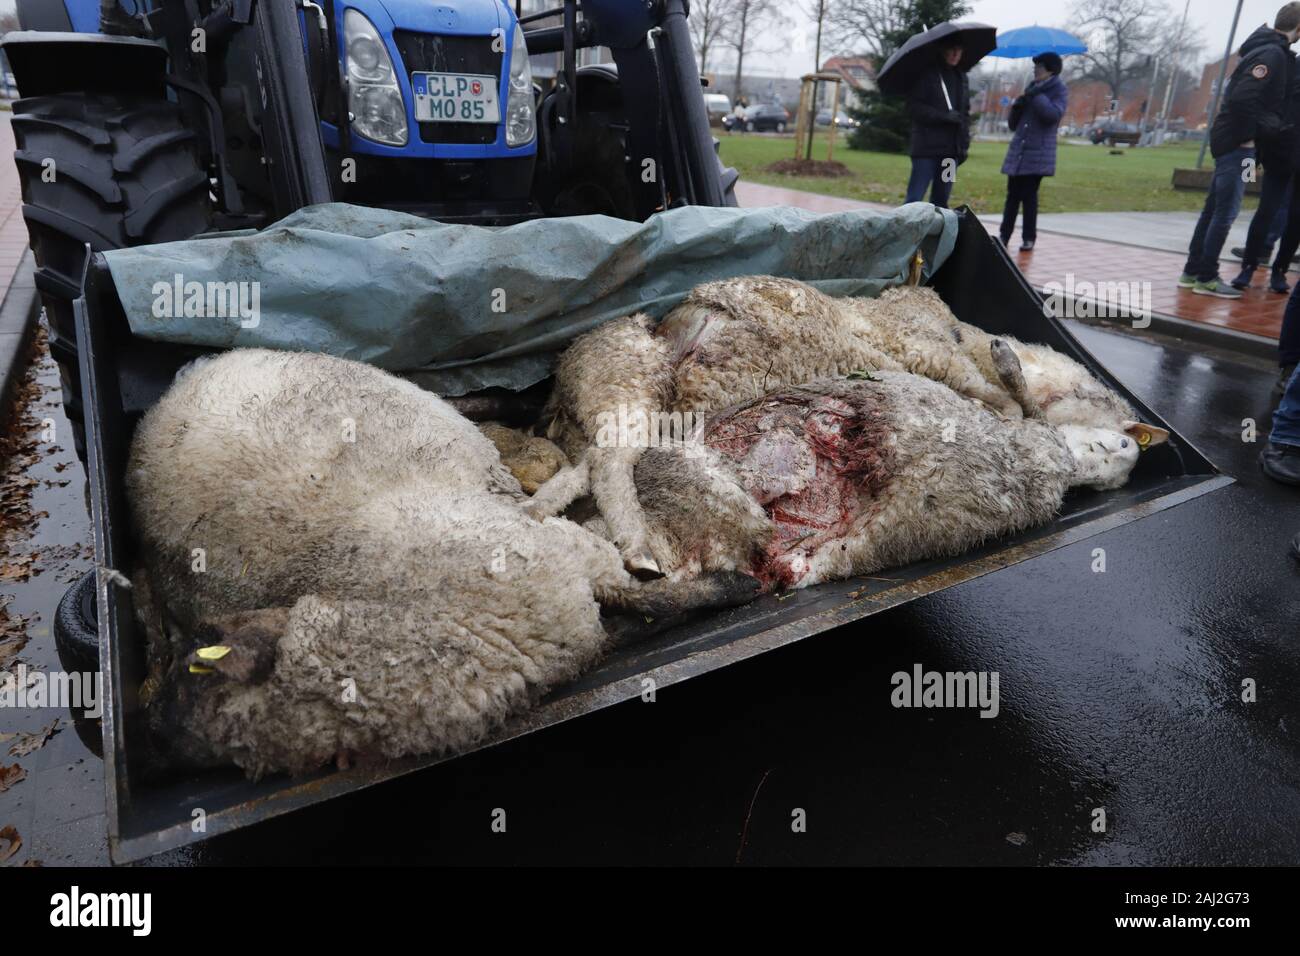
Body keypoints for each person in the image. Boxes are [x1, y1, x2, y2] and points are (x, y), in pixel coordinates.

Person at [1179, 3, 1300, 299]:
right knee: (1226, 212)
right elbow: (1243, 99)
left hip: (1237, 144)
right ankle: (1206, 276)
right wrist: (1255, 134)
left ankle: (1192, 271)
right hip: (1240, 147)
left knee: (1214, 209)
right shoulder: (1272, 55)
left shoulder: (1266, 50)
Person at [1232, 49, 1300, 293]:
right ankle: (1249, 265)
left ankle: (1280, 269)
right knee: (1266, 211)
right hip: (1281, 150)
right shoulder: (1292, 68)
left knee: (1296, 218)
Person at [999, 52, 1069, 252]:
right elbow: (1014, 125)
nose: (1035, 70)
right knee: (1012, 196)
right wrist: (1017, 107)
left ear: (1050, 70)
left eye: (1039, 67)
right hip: (1019, 151)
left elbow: (1053, 115)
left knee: (1029, 197)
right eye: (1035, 67)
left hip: (1038, 154)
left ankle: (1028, 237)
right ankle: (1004, 235)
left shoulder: (1058, 90)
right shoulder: (1030, 89)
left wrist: (1037, 97)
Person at [904, 42, 971, 208]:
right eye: (952, 49)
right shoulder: (928, 75)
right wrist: (943, 116)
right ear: (943, 50)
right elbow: (914, 108)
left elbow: (965, 112)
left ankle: (937, 234)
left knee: (942, 201)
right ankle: (906, 232)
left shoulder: (961, 78)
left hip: (950, 154)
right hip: (926, 151)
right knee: (914, 199)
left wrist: (963, 143)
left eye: (959, 50)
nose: (956, 54)